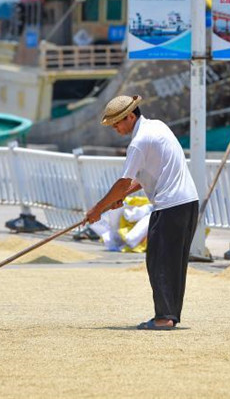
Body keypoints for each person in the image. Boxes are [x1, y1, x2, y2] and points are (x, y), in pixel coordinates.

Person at [84, 95, 199, 330]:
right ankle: (170, 315)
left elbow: (123, 182)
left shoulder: (139, 142)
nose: (115, 128)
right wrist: (119, 198)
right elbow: (143, 178)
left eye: (117, 123)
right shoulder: (158, 127)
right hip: (188, 202)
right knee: (174, 264)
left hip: (169, 205)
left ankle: (164, 318)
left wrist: (98, 208)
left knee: (159, 262)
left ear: (130, 116)